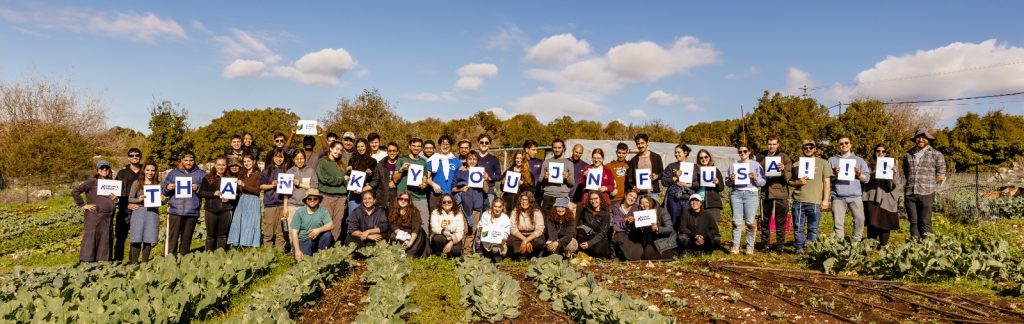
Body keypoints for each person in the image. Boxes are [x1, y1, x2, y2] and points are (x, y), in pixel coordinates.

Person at [789, 140, 834, 253]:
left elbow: (827, 182)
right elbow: (790, 182)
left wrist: (825, 200)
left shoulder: (823, 163)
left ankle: (811, 249)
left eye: (811, 147)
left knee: (813, 228)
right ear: (802, 149)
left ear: (815, 149)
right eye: (805, 148)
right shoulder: (796, 164)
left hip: (815, 201)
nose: (808, 150)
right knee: (798, 227)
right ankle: (799, 248)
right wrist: (798, 182)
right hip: (799, 200)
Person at [902, 130, 946, 238]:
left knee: (925, 221)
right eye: (918, 137)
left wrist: (929, 183)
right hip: (910, 192)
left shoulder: (936, 154)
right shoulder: (908, 154)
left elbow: (941, 174)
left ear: (928, 140)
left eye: (924, 137)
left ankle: (927, 244)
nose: (921, 140)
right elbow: (905, 172)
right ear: (915, 140)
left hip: (927, 192)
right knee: (913, 221)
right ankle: (915, 244)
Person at [72, 160, 119, 262]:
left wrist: (116, 200)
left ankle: (103, 260)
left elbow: (115, 200)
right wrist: (83, 205)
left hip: (108, 216)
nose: (104, 170)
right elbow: (75, 191)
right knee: (92, 236)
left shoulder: (112, 183)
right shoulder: (92, 182)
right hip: (95, 215)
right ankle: (87, 261)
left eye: (106, 168)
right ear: (97, 170)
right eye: (102, 168)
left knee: (105, 237)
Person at [162, 152, 206, 255]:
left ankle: (184, 259)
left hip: (192, 211)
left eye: (191, 160)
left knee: (186, 241)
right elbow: (163, 190)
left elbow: (207, 191)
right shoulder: (173, 173)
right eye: (186, 160)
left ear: (194, 161)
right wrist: (168, 187)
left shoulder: (201, 174)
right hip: (175, 211)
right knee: (172, 240)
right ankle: (169, 260)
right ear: (181, 160)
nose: (188, 163)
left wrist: (198, 188)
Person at [828, 135, 871, 241]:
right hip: (837, 196)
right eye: (841, 143)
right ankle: (840, 243)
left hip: (855, 196)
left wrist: (859, 174)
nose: (844, 145)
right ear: (838, 145)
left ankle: (856, 241)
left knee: (860, 220)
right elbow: (828, 179)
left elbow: (866, 179)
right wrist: (835, 174)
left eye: (846, 143)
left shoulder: (859, 160)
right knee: (838, 223)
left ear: (850, 144)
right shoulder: (832, 160)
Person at [726, 145, 766, 255]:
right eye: (740, 151)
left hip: (751, 194)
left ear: (749, 152)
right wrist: (731, 179)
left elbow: (763, 182)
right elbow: (727, 182)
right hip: (736, 194)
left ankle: (750, 247)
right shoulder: (733, 165)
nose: (742, 153)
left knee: (750, 222)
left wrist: (755, 177)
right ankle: (735, 246)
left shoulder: (756, 165)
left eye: (744, 151)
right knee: (736, 221)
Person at [756, 135, 792, 252]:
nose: (771, 146)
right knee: (764, 221)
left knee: (780, 221)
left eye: (774, 144)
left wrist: (783, 170)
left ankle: (779, 246)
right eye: (769, 144)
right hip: (765, 193)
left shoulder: (784, 157)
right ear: (767, 144)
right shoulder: (760, 157)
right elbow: (757, 173)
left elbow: (788, 178)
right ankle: (765, 245)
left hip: (780, 193)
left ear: (778, 145)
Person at [865, 144, 902, 247]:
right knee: (872, 223)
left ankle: (883, 247)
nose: (880, 153)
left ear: (886, 153)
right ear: (875, 152)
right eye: (878, 151)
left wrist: (894, 172)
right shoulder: (869, 165)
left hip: (887, 198)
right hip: (872, 197)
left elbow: (895, 183)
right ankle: (870, 246)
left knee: (885, 224)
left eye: (883, 151)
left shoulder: (892, 164)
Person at [126, 162, 163, 263]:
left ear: (155, 172)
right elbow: (130, 199)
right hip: (139, 211)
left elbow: (161, 201)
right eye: (148, 170)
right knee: (136, 237)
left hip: (152, 213)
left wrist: (163, 199)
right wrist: (139, 199)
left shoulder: (158, 184)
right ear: (144, 171)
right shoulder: (137, 183)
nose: (150, 173)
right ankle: (134, 263)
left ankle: (144, 263)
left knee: (148, 238)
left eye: (152, 170)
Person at [394, 137, 431, 232]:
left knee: (424, 222)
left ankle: (424, 241)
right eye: (414, 146)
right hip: (404, 197)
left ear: (421, 148)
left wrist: (424, 184)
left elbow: (425, 179)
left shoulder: (423, 162)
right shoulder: (401, 159)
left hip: (420, 196)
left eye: (418, 146)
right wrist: (402, 169)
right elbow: (395, 179)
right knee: (403, 223)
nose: (416, 148)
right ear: (409, 146)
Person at [198, 156, 235, 252]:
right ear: (215, 165)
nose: (221, 167)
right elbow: (201, 193)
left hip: (226, 210)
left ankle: (220, 255)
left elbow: (236, 194)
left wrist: (230, 198)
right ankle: (209, 255)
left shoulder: (231, 179)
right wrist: (213, 194)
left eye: (223, 165)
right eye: (219, 165)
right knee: (210, 236)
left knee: (222, 235)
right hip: (211, 210)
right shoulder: (207, 178)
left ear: (226, 166)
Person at [112, 148, 142, 263]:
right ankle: (118, 260)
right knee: (120, 236)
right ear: (128, 158)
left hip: (140, 208)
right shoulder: (122, 173)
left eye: (137, 155)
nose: (134, 157)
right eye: (132, 155)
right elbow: (116, 191)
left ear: (140, 157)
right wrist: (126, 204)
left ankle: (132, 261)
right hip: (124, 209)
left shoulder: (144, 172)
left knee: (136, 236)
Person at [454, 151, 487, 254]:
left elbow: (486, 190)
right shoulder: (460, 172)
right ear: (466, 160)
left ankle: (467, 252)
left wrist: (484, 179)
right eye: (470, 159)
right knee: (463, 229)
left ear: (477, 161)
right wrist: (461, 189)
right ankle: (458, 251)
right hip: (463, 205)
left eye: (474, 159)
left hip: (476, 205)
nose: (472, 161)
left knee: (472, 230)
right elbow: (453, 188)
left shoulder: (481, 172)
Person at [289, 189, 334, 261]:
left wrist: (319, 230)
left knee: (327, 235)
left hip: (317, 238)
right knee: (304, 261)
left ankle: (322, 256)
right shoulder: (299, 212)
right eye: (309, 198)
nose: (312, 200)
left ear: (319, 200)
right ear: (306, 200)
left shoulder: (323, 211)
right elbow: (294, 233)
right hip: (304, 239)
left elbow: (331, 225)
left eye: (315, 198)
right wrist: (297, 251)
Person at [317, 141, 350, 243]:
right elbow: (324, 179)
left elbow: (346, 177)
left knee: (337, 223)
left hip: (341, 197)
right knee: (326, 222)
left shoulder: (343, 163)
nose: (339, 152)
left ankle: (333, 246)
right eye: (337, 149)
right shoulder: (323, 161)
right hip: (326, 196)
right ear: (331, 148)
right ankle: (323, 246)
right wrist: (341, 179)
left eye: (341, 150)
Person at [229, 154, 262, 248]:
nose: (247, 163)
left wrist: (243, 185)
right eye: (244, 162)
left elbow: (257, 190)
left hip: (253, 200)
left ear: (254, 162)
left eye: (248, 161)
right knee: (239, 221)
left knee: (250, 223)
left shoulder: (259, 174)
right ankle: (238, 243)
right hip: (242, 200)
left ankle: (249, 243)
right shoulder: (242, 174)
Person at [259, 149, 289, 250]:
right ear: (273, 158)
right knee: (268, 230)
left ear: (284, 158)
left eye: (281, 157)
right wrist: (272, 185)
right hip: (270, 204)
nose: (279, 159)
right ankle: (267, 252)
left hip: (282, 204)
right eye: (276, 156)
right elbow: (261, 186)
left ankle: (279, 252)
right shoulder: (267, 170)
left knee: (281, 231)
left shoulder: (287, 170)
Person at [283, 152, 318, 229]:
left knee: (305, 230)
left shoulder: (310, 170)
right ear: (293, 159)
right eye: (297, 159)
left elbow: (315, 186)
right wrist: (285, 208)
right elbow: (285, 192)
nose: (299, 161)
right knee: (292, 230)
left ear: (305, 159)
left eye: (301, 158)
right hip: (292, 206)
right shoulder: (289, 172)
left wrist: (300, 184)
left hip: (306, 206)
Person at [662, 144, 695, 226]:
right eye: (675, 152)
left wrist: (687, 185)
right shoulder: (671, 166)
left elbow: (697, 183)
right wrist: (675, 177)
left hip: (687, 198)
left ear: (685, 153)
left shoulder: (693, 167)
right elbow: (664, 182)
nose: (676, 154)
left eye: (679, 152)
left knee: (686, 222)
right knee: (673, 221)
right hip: (673, 199)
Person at [387, 192, 427, 257]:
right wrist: (401, 234)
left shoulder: (414, 211)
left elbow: (415, 228)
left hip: (414, 234)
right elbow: (392, 224)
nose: (403, 201)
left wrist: (410, 242)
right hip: (400, 233)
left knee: (410, 254)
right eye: (401, 199)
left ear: (409, 201)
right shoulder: (393, 210)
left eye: (406, 200)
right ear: (397, 199)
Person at [427, 135, 461, 212]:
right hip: (435, 195)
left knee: (450, 217)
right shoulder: (433, 159)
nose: (445, 146)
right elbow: (426, 177)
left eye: (447, 144)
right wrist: (433, 185)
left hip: (451, 195)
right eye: (443, 144)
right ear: (440, 145)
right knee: (435, 217)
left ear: (451, 146)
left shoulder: (456, 161)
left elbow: (460, 178)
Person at [626, 133, 664, 202]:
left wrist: (657, 176)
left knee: (654, 209)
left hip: (653, 192)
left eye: (642, 143)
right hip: (639, 193)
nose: (640, 145)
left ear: (647, 143)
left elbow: (662, 172)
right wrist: (633, 187)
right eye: (638, 144)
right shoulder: (633, 160)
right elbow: (630, 178)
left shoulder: (656, 157)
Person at [540, 139, 576, 211]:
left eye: (559, 147)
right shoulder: (546, 162)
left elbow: (572, 183)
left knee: (561, 217)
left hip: (562, 196)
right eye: (555, 147)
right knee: (545, 217)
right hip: (548, 195)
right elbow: (540, 180)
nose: (557, 150)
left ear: (563, 148)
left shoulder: (569, 163)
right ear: (552, 148)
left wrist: (567, 178)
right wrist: (544, 178)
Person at [691, 149, 726, 224]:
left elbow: (721, 188)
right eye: (701, 158)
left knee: (713, 227)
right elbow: (692, 186)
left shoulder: (715, 170)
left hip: (712, 203)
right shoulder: (695, 171)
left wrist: (717, 183)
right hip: (699, 202)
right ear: (698, 160)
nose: (704, 159)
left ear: (709, 157)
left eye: (706, 157)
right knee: (699, 226)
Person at [637, 196, 677, 260]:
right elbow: (643, 233)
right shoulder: (641, 215)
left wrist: (658, 228)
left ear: (651, 202)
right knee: (646, 257)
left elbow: (669, 229)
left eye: (646, 202)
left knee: (664, 258)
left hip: (666, 241)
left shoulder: (662, 211)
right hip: (652, 241)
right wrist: (635, 221)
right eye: (642, 203)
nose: (644, 205)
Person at [508, 192, 545, 259]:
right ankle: (520, 254)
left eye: (526, 200)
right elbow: (512, 228)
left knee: (540, 242)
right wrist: (525, 240)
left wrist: (526, 240)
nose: (524, 202)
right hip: (519, 235)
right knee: (510, 240)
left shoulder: (537, 212)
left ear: (531, 201)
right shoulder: (515, 211)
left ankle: (533, 254)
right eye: (522, 200)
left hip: (532, 235)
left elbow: (539, 229)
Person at [576, 191, 611, 258]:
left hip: (599, 238)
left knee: (600, 248)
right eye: (591, 199)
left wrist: (589, 243)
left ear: (600, 199)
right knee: (580, 234)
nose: (593, 201)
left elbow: (602, 233)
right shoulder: (586, 211)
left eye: (596, 198)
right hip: (588, 235)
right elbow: (581, 225)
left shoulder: (605, 214)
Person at [347, 138, 378, 214]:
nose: (360, 148)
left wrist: (370, 173)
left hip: (367, 192)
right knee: (353, 214)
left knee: (367, 215)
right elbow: (348, 175)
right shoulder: (352, 160)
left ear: (366, 147)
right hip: (354, 192)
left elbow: (375, 178)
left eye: (362, 146)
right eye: (358, 147)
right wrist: (348, 171)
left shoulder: (373, 161)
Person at [611, 191, 643, 261]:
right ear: (625, 196)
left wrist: (634, 221)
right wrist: (625, 221)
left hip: (633, 233)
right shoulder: (617, 207)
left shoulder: (637, 208)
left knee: (637, 252)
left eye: (634, 198)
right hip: (621, 232)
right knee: (620, 236)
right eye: (630, 196)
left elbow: (640, 223)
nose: (632, 199)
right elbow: (617, 224)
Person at [373, 142, 401, 211]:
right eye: (390, 151)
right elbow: (375, 181)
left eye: (394, 151)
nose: (392, 153)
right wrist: (373, 195)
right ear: (387, 152)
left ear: (397, 152)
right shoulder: (380, 164)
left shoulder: (402, 164)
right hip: (381, 200)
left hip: (396, 199)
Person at [476, 134, 502, 205]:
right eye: (482, 142)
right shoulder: (473, 157)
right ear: (478, 143)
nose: (484, 144)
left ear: (489, 144)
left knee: (489, 211)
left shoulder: (494, 159)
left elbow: (499, 176)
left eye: (486, 142)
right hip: (475, 190)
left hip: (489, 190)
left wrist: (489, 177)